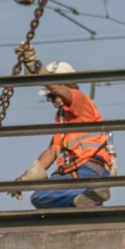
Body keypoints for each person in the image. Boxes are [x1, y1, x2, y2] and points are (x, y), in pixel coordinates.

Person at [10, 41, 114, 209]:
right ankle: (87, 197)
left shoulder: (79, 101)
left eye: (51, 96)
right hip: (73, 174)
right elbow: (51, 151)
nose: (50, 100)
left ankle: (90, 193)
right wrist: (26, 178)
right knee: (41, 198)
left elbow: (58, 89)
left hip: (89, 170)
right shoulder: (63, 119)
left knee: (41, 196)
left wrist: (35, 65)